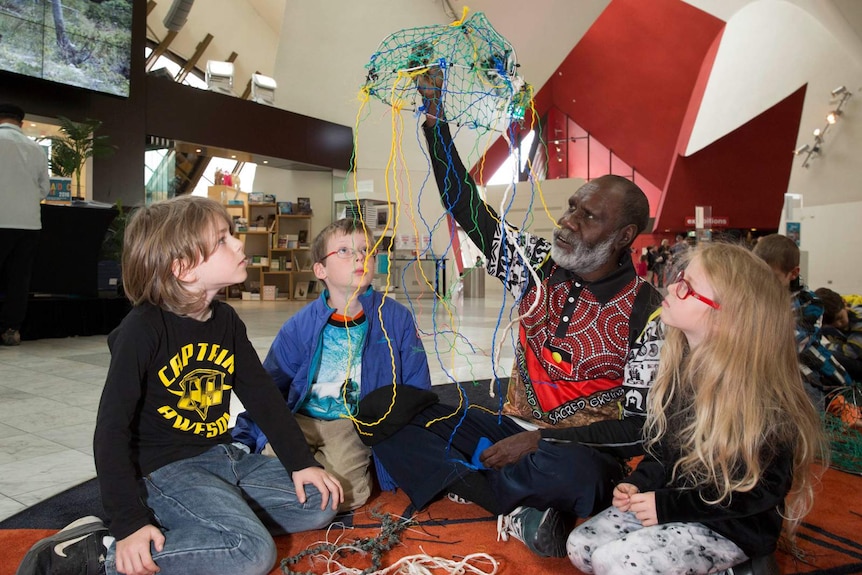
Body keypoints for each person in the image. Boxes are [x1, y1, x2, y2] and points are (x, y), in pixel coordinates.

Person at [364, 63, 663, 558]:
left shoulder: (647, 314)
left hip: (576, 452)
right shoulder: (537, 267)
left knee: (578, 473)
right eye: (571, 207)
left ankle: (478, 485)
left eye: (587, 217)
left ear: (624, 237)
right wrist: (435, 121)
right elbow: (467, 209)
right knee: (383, 416)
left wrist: (541, 443)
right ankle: (521, 505)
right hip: (505, 427)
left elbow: (638, 430)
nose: (566, 222)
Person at [18, 196, 343, 575]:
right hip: (166, 471)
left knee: (321, 500)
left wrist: (300, 463)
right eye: (222, 240)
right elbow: (110, 431)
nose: (238, 244)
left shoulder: (226, 321)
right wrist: (129, 524)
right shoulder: (142, 331)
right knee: (251, 552)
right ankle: (100, 554)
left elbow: (263, 398)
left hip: (224, 456)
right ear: (184, 269)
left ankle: (200, 525)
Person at [567, 242, 826, 574]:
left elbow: (759, 492)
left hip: (730, 526)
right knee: (581, 546)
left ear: (725, 318)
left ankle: (745, 565)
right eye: (679, 278)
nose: (672, 287)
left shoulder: (763, 403)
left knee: (613, 561)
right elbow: (664, 449)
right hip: (676, 508)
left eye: (687, 287)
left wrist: (667, 506)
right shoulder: (680, 372)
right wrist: (640, 483)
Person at [232, 218, 433, 512]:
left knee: (350, 495)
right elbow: (269, 387)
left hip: (350, 423)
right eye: (344, 251)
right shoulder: (299, 326)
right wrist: (246, 437)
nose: (360, 256)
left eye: (367, 250)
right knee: (268, 472)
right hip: (300, 419)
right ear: (320, 270)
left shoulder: (395, 318)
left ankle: (308, 491)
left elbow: (417, 383)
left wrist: (414, 443)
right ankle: (305, 485)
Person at [752, 234, 853, 409]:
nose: (763, 283)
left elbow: (789, 344)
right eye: (758, 275)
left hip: (817, 379)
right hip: (778, 374)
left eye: (772, 277)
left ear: (793, 273)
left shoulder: (809, 303)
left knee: (805, 402)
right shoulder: (759, 295)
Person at [0, 103, 50, 346]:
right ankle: (11, 330)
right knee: (19, 279)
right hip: (29, 224)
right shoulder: (36, 148)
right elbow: (44, 188)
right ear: (20, 123)